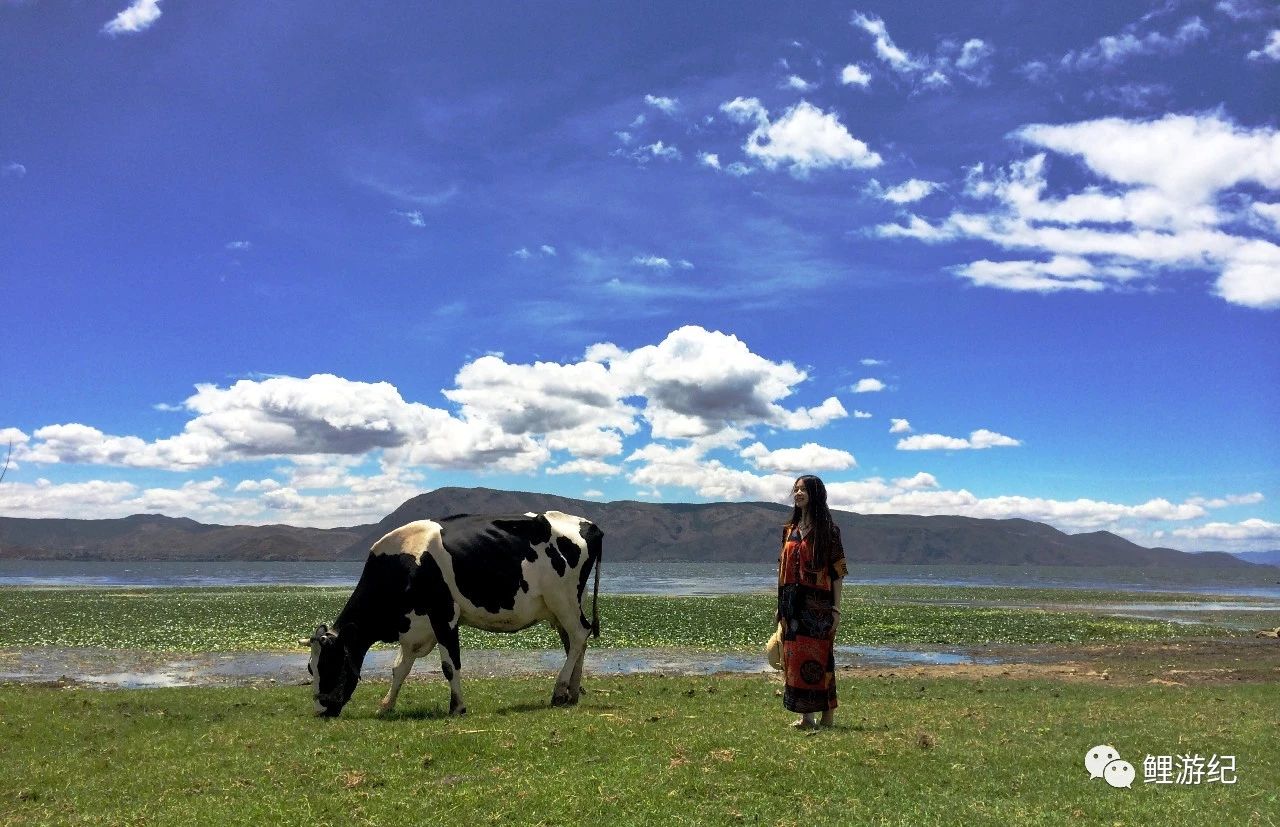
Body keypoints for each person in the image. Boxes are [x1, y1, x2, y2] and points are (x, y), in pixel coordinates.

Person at [777, 474, 847, 729]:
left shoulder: (829, 531)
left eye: (804, 489)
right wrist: (779, 606)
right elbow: (781, 569)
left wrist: (836, 608)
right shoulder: (789, 530)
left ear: (815, 494)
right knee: (794, 659)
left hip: (819, 605)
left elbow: (838, 572)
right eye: (796, 489)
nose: (798, 493)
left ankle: (828, 716)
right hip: (791, 603)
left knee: (822, 658)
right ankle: (807, 717)